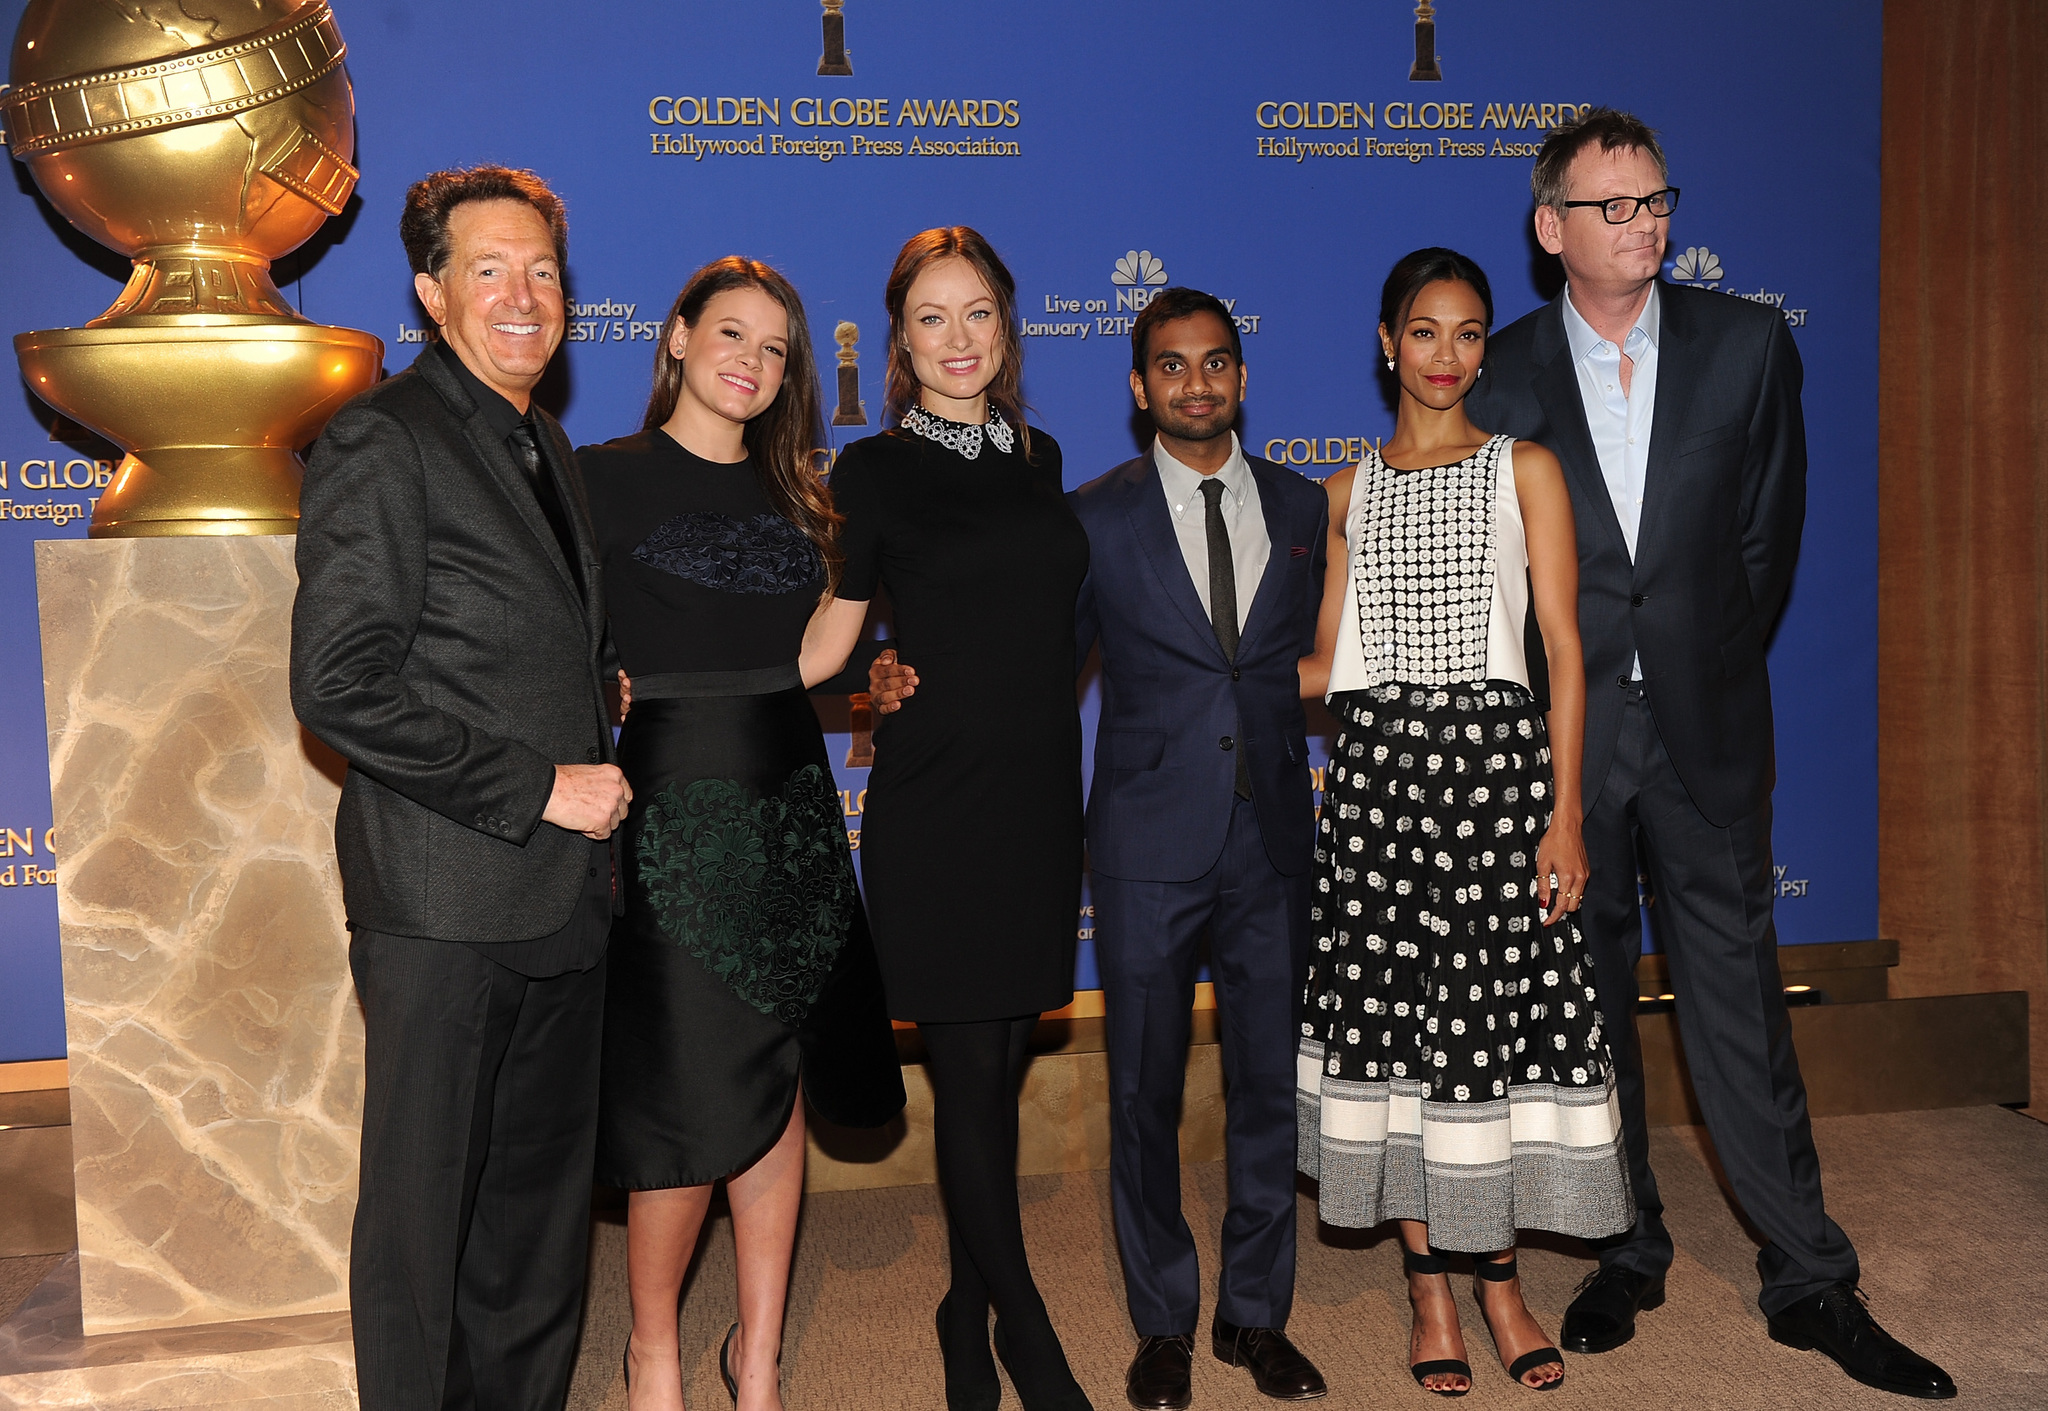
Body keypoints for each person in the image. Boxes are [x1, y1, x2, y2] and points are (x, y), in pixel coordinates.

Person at [1464, 108, 1956, 1401]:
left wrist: (1695, 666)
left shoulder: (1749, 347)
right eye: (1614, 207)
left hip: (1706, 734)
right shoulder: (1502, 375)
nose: (1645, 224)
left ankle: (1808, 1270)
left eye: (1657, 201)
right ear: (1550, 228)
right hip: (1565, 752)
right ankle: (1630, 1242)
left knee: (1737, 1006)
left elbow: (1763, 550)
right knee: (1591, 1016)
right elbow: (1497, 584)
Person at [883, 288, 1332, 1409]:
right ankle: (1162, 1322)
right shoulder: (1092, 517)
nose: (1194, 384)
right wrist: (896, 674)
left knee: (1268, 1084)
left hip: (1272, 836)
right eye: (1170, 367)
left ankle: (1254, 1316)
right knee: (1140, 1090)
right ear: (1138, 388)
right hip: (1140, 840)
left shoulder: (1299, 507)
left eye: (1214, 363)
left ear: (1239, 374)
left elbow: (1319, 659)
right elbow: (1033, 661)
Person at [291, 166, 630, 1411]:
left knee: (535, 1232)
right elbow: (337, 682)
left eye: (544, 269)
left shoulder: (540, 439)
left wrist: (600, 685)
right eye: (490, 270)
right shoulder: (384, 437)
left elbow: (509, 634)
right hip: (442, 904)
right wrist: (541, 782)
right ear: (433, 293)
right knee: (423, 1238)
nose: (525, 296)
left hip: (559, 904)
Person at [1296, 248, 1635, 1395]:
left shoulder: (1521, 469)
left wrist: (1564, 812)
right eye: (1425, 331)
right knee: (1399, 1041)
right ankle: (1430, 1292)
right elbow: (1322, 663)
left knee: (1487, 1037)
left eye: (1469, 332)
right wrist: (1188, 664)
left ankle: (1501, 1282)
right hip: (1380, 790)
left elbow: (1565, 655)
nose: (1448, 355)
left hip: (1497, 787)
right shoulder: (1343, 492)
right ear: (1385, 341)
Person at [581, 257, 904, 1411]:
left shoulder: (798, 499)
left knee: (778, 1086)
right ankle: (653, 1349)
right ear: (673, 337)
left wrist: (872, 556)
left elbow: (810, 661)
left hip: (789, 804)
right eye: (729, 335)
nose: (750, 363)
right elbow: (560, 638)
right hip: (666, 806)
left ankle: (756, 1356)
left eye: (774, 349)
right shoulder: (593, 481)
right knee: (684, 1095)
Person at [823, 227, 1094, 1411]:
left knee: (989, 1084)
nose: (957, 339)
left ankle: (958, 1307)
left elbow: (1058, 617)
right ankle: (1022, 1326)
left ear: (1005, 326)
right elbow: (829, 638)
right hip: (934, 800)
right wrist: (861, 681)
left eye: (976, 312)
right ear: (898, 340)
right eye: (931, 317)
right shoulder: (871, 472)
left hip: (1035, 793)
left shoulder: (1040, 455)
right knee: (960, 1063)